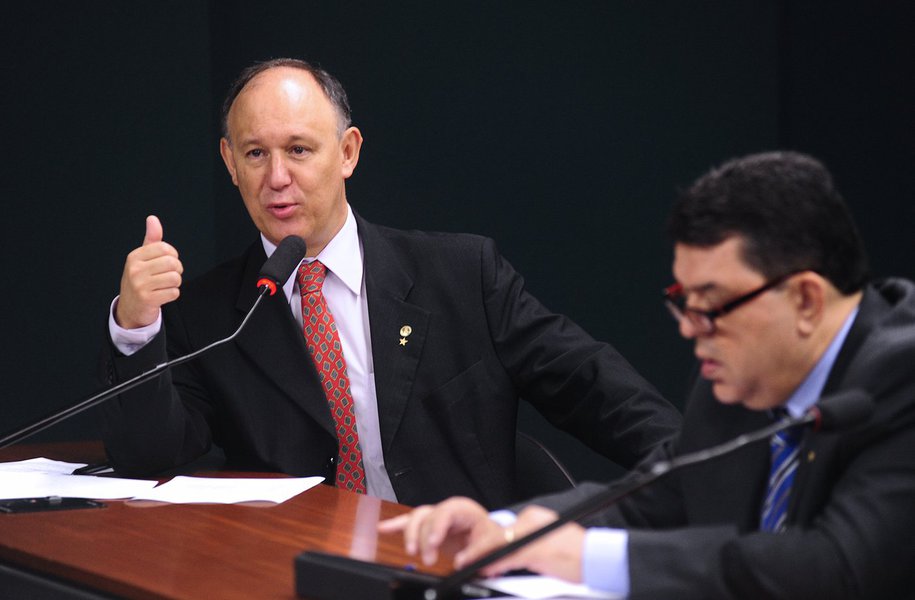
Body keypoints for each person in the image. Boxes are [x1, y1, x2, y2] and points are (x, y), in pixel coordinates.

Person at [98, 58, 681, 509]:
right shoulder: (209, 314)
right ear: (229, 163)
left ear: (348, 152)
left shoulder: (460, 274)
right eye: (255, 153)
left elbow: (591, 386)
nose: (277, 178)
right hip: (298, 571)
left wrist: (705, 467)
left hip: (450, 564)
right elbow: (150, 461)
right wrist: (135, 326)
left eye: (299, 150)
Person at [380, 151, 915, 597]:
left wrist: (585, 556)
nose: (691, 330)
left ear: (805, 299)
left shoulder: (902, 377)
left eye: (712, 304)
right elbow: (655, 495)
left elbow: (837, 567)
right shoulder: (735, 377)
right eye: (684, 302)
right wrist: (507, 530)